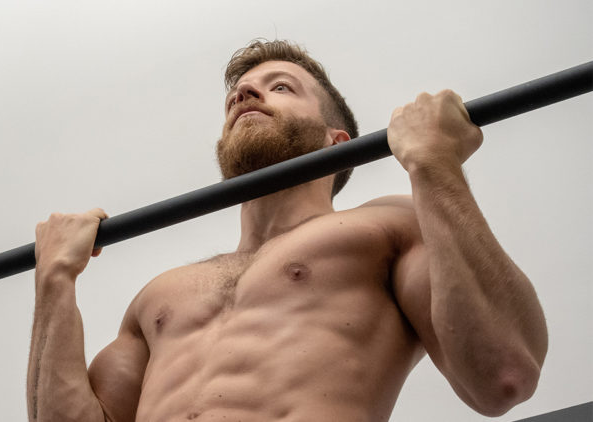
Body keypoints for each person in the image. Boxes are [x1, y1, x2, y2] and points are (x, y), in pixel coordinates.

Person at [27, 39, 548, 422]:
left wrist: (434, 164)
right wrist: (55, 278)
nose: (246, 92)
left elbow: (502, 376)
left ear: (334, 138)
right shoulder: (159, 295)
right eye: (238, 93)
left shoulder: (384, 226)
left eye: (281, 87)